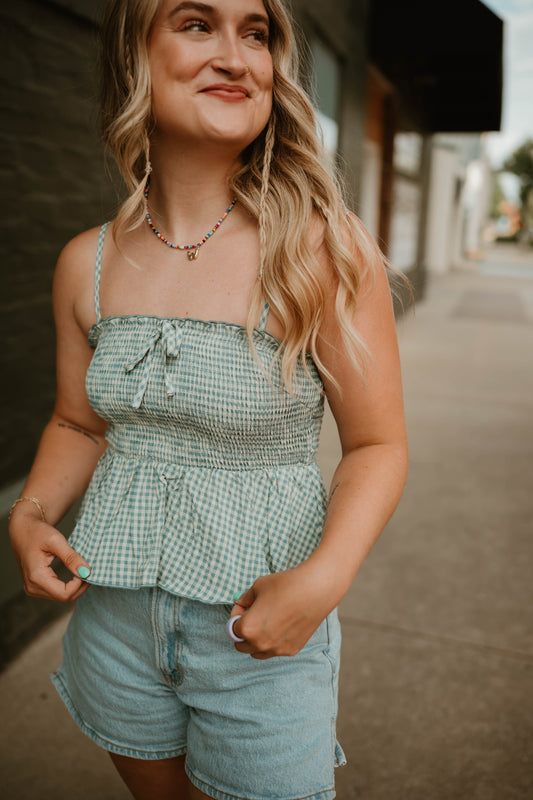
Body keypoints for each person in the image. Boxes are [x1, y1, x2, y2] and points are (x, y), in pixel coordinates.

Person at [8, 1, 408, 798]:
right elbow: (77, 421)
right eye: (197, 24)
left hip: (258, 630)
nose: (236, 56)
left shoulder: (321, 249)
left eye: (255, 33)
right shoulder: (85, 263)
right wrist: (30, 513)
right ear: (134, 55)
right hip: (114, 621)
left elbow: (378, 445)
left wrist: (324, 579)